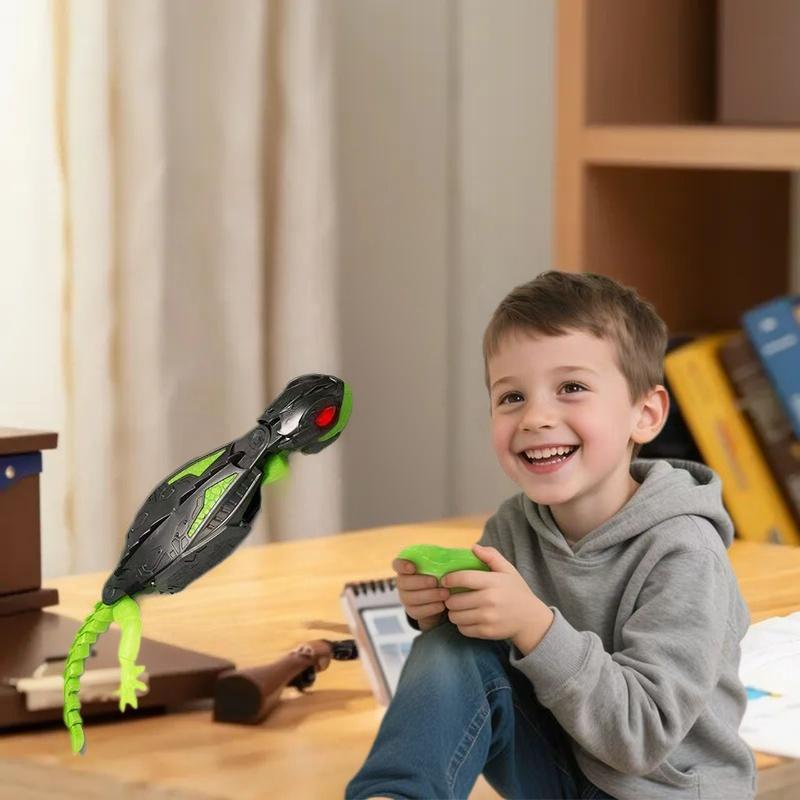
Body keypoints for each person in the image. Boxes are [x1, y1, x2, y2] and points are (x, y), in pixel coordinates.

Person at [345, 271, 757, 800]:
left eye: (572, 388)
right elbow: (480, 672)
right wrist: (438, 611)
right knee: (452, 645)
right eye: (511, 396)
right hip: (564, 771)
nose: (536, 417)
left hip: (660, 790)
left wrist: (535, 626)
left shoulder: (684, 551)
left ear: (645, 414)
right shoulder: (513, 526)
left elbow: (640, 738)